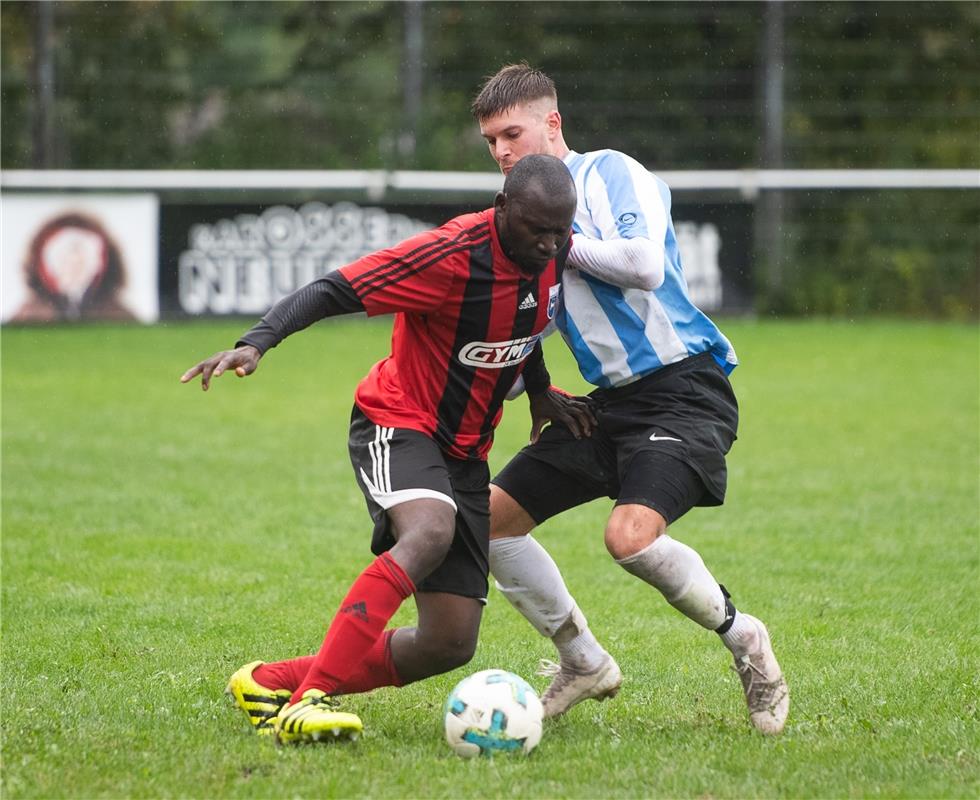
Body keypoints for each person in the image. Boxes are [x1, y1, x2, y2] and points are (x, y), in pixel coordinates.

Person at [181, 154, 596, 744]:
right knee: (429, 531)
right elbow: (333, 289)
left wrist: (539, 393)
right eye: (538, 230)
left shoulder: (551, 251)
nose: (551, 243)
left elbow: (524, 327)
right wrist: (257, 343)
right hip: (397, 420)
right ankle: (308, 702)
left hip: (466, 452)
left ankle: (269, 680)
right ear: (502, 209)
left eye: (561, 229)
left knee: (448, 642)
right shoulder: (449, 257)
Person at [471, 64, 789, 735]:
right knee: (488, 520)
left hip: (684, 391)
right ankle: (583, 661)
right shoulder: (516, 221)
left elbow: (645, 265)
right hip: (605, 404)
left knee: (629, 538)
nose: (501, 152)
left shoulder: (608, 174)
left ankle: (745, 639)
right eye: (491, 142)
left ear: (552, 123)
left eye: (512, 133)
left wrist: (560, 245)